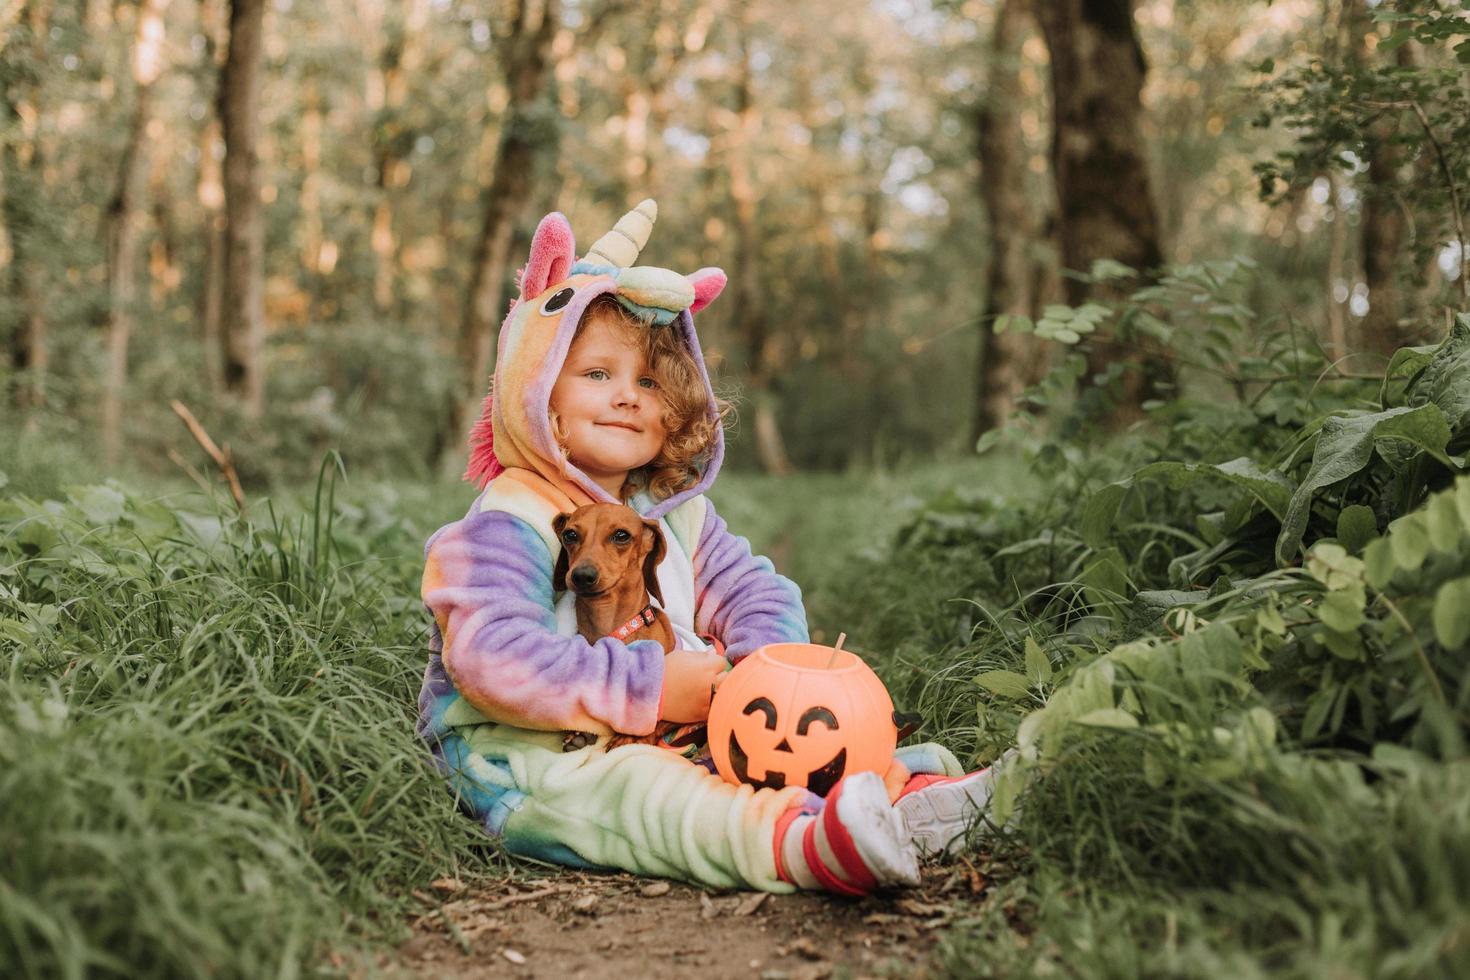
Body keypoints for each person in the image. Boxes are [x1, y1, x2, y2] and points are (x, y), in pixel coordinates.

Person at [416, 200, 999, 894]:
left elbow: (756, 589)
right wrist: (654, 687)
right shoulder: (509, 517)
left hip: (669, 726)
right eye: (597, 374)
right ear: (535, 390)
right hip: (530, 760)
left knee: (779, 750)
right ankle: (804, 844)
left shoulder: (675, 515)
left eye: (650, 381)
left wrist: (762, 678)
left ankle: (910, 793)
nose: (628, 397)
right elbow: (492, 658)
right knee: (647, 797)